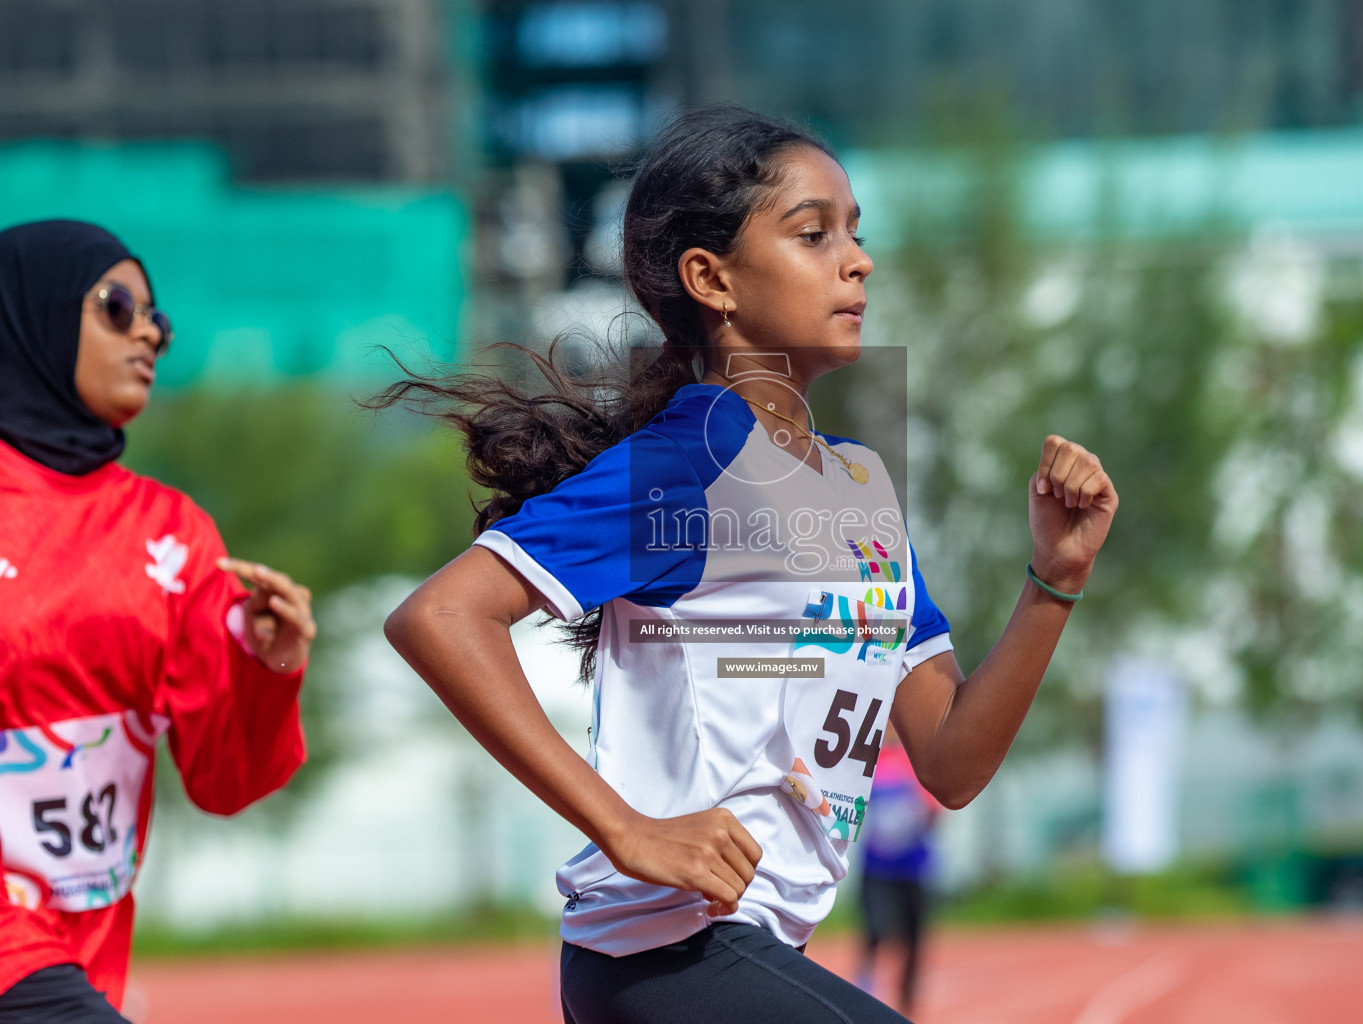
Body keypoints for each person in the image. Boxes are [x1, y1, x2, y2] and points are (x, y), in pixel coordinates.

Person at [384, 106, 1117, 1024]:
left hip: (753, 952)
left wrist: (1057, 577)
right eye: (814, 234)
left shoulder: (859, 490)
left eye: (856, 233)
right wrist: (626, 829)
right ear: (712, 279)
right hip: (668, 955)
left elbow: (953, 761)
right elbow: (441, 617)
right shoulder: (694, 459)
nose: (858, 260)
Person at [0, 220, 315, 1021]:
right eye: (116, 306)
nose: (148, 331)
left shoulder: (171, 532)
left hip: (85, 953)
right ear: (28, 313)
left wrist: (268, 666)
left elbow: (226, 778)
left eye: (158, 319)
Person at [856, 738, 942, 1017]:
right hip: (878, 866)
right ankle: (864, 990)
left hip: (910, 867)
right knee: (875, 933)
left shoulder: (917, 761)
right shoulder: (873, 760)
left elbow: (934, 809)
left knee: (913, 939)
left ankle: (906, 1005)